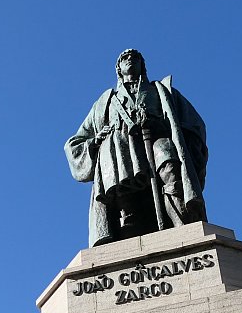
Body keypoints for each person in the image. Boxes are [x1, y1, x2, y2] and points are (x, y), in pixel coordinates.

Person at [66, 49, 208, 246]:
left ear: (143, 65)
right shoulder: (105, 101)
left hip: (157, 139)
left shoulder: (161, 90)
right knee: (125, 196)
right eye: (125, 58)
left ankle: (183, 225)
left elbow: (194, 124)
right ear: (118, 68)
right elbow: (75, 142)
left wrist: (162, 125)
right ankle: (129, 237)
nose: (130, 60)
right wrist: (96, 141)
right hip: (119, 151)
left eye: (135, 58)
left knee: (171, 169)